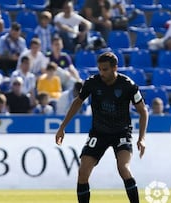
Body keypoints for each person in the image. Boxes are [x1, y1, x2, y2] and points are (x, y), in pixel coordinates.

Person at [55, 52, 148, 203]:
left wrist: (142, 138)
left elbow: (143, 111)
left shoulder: (128, 85)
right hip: (99, 133)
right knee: (83, 171)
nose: (101, 73)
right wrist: (62, 127)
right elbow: (77, 102)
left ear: (115, 68)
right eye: (99, 69)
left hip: (121, 132)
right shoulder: (92, 83)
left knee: (123, 168)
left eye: (105, 69)